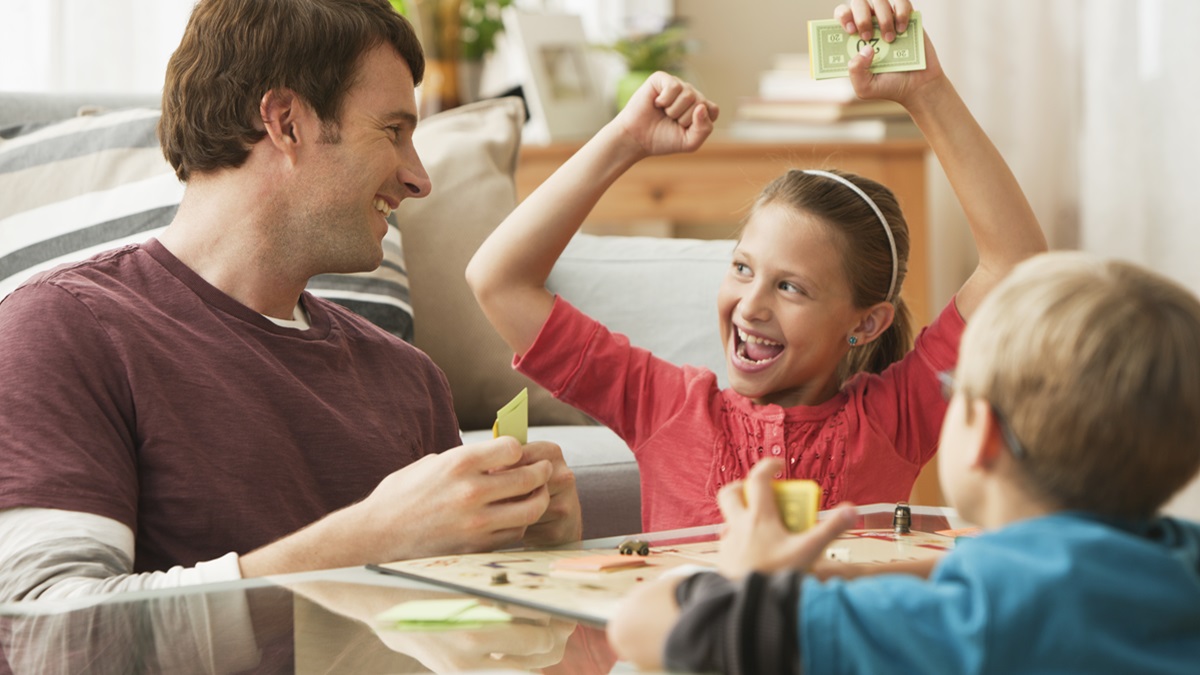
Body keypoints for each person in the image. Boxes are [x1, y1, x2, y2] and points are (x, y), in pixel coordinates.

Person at [0, 0, 581, 603]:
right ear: (286, 122)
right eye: (393, 131)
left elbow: (459, 632)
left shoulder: (409, 381)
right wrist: (370, 540)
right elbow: (52, 638)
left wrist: (537, 554)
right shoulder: (65, 328)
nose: (419, 178)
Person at [466, 0, 1046, 532]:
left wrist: (929, 93)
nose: (751, 305)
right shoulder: (663, 405)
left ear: (866, 323)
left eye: (790, 286)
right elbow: (497, 282)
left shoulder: (894, 419)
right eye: (743, 269)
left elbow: (1017, 269)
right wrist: (623, 140)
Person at [606, 250, 1200, 673]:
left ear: (983, 432)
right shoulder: (1180, 558)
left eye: (952, 389)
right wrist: (838, 579)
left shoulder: (960, 626)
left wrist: (750, 577)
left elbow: (640, 626)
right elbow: (1019, 578)